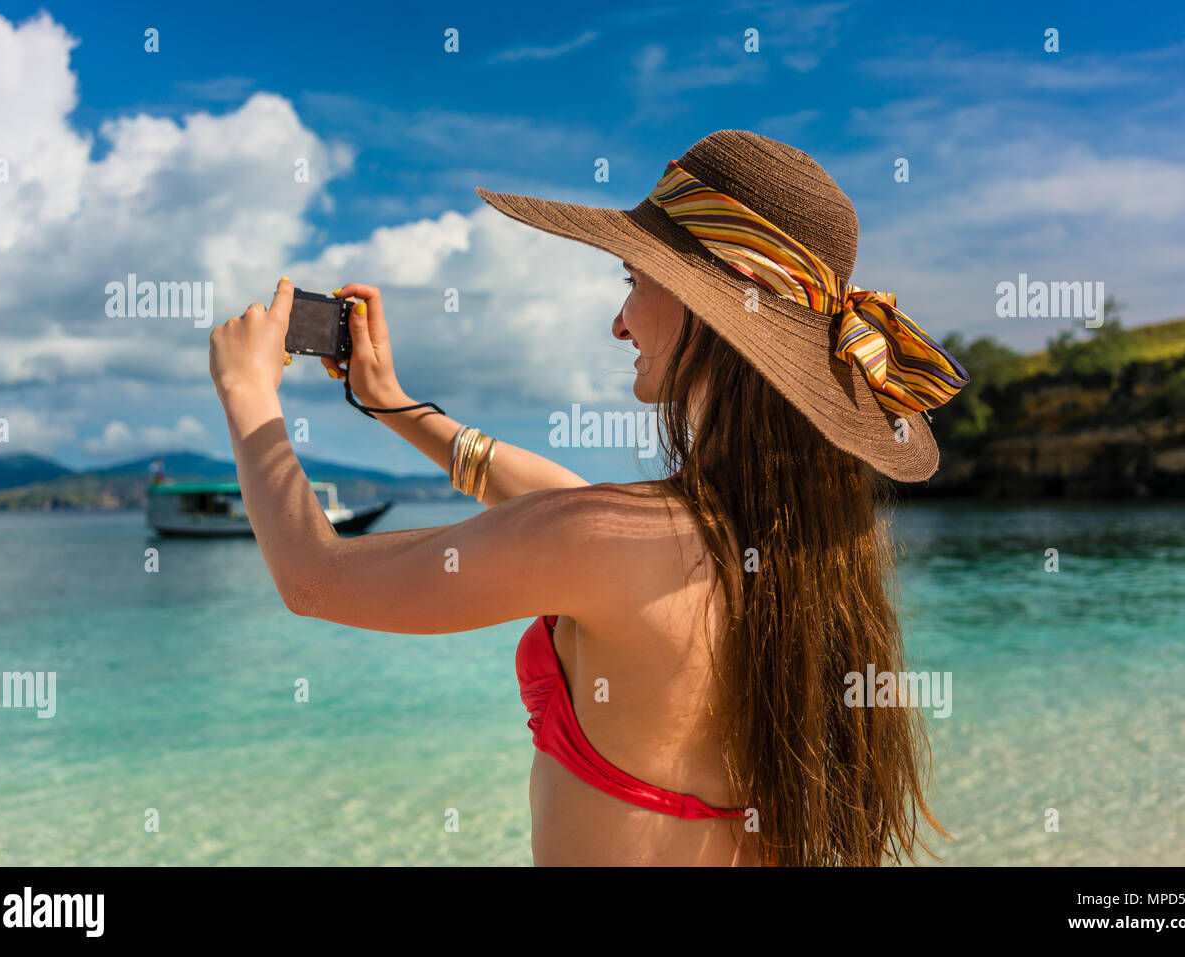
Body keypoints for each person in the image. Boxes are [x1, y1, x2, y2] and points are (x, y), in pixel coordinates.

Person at [208, 129, 968, 866]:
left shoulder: (609, 542)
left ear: (708, 306)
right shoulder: (800, 545)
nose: (618, 322)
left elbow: (313, 576)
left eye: (632, 281)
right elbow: (576, 513)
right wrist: (395, 406)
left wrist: (249, 396)